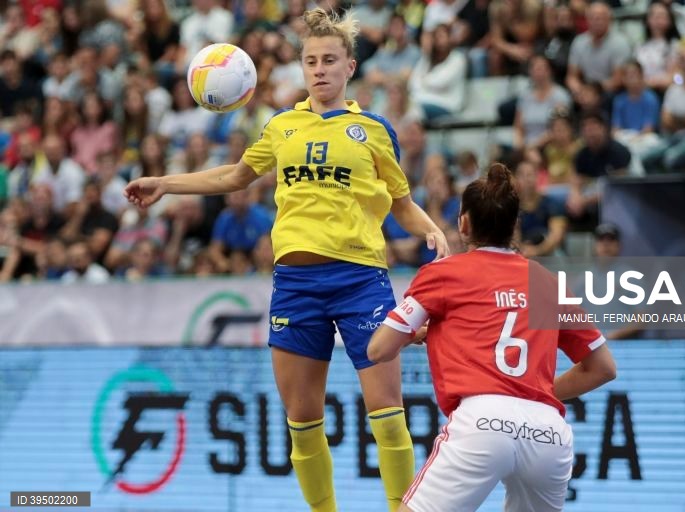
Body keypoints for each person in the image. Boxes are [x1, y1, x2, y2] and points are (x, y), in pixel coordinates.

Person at [124, 8, 449, 512]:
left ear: (350, 67)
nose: (319, 70)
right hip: (296, 284)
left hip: (361, 279)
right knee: (302, 422)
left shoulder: (374, 129)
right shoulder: (282, 126)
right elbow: (234, 177)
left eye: (329, 61)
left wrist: (431, 230)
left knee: (387, 414)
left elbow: (401, 203)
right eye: (310, 61)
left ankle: (400, 507)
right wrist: (166, 183)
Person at [368, 162, 616, 512]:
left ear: (464, 223)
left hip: (482, 420)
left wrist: (412, 336)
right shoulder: (547, 282)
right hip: (548, 430)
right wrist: (533, 395)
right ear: (514, 225)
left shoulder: (444, 274)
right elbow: (603, 368)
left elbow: (378, 349)